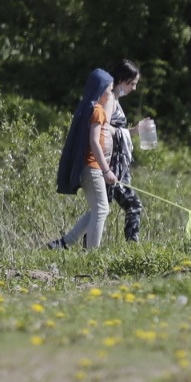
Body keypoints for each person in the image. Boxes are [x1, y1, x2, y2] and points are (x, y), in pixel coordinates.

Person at [47, 69, 116, 250]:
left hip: (88, 168)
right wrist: (106, 170)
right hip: (92, 168)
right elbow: (94, 142)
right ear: (101, 90)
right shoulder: (98, 110)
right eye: (109, 91)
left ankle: (64, 243)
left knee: (98, 209)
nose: (110, 95)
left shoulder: (88, 108)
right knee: (102, 210)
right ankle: (91, 255)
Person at [107, 59, 152, 242]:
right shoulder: (109, 99)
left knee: (101, 210)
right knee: (133, 205)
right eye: (132, 83)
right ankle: (132, 248)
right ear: (122, 80)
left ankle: (82, 247)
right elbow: (101, 127)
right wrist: (132, 131)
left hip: (118, 166)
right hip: (110, 166)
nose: (134, 88)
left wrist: (134, 131)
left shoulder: (115, 101)